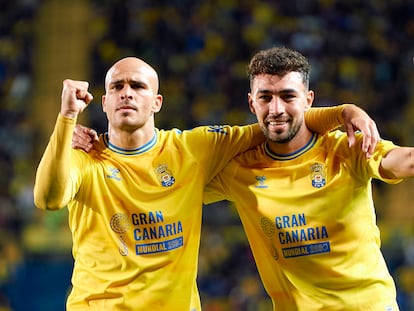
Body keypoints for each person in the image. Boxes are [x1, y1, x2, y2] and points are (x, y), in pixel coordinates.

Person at [34, 56, 379, 310]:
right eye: (117, 87)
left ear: (156, 103)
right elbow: (48, 198)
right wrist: (66, 120)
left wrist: (342, 112)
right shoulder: (84, 155)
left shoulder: (193, 149)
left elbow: (276, 124)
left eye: (137, 86)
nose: (127, 93)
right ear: (105, 101)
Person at [203, 46, 412, 310]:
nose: (276, 108)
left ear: (309, 99)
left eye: (288, 96)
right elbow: (178, 188)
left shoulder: (347, 148)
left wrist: (343, 113)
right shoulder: (239, 170)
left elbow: (404, 161)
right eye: (265, 97)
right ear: (251, 103)